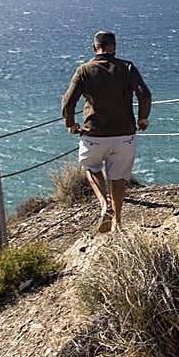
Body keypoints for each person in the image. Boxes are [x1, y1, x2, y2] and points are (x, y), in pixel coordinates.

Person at [61, 31, 151, 233]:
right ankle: (118, 222)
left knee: (91, 168)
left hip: (94, 134)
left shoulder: (84, 70)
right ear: (114, 46)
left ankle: (104, 204)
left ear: (95, 48)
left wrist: (71, 123)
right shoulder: (127, 67)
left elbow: (68, 102)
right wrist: (143, 117)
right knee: (118, 177)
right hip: (124, 134)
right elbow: (144, 94)